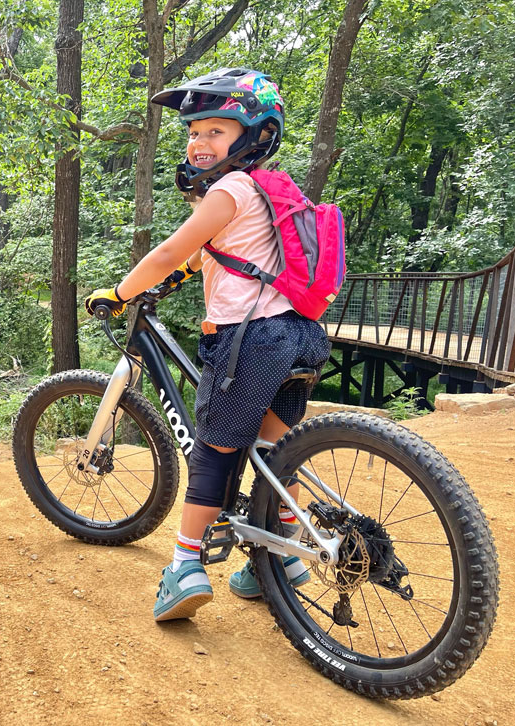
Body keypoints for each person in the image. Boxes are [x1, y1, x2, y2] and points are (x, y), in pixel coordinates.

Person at [84, 68, 331, 621]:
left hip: (249, 340)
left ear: (255, 136)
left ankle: (184, 567)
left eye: (216, 132)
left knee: (213, 454)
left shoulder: (227, 190)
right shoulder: (271, 191)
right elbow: (215, 254)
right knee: (273, 452)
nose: (199, 143)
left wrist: (121, 292)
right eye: (194, 132)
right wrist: (180, 277)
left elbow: (174, 250)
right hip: (298, 335)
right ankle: (281, 564)